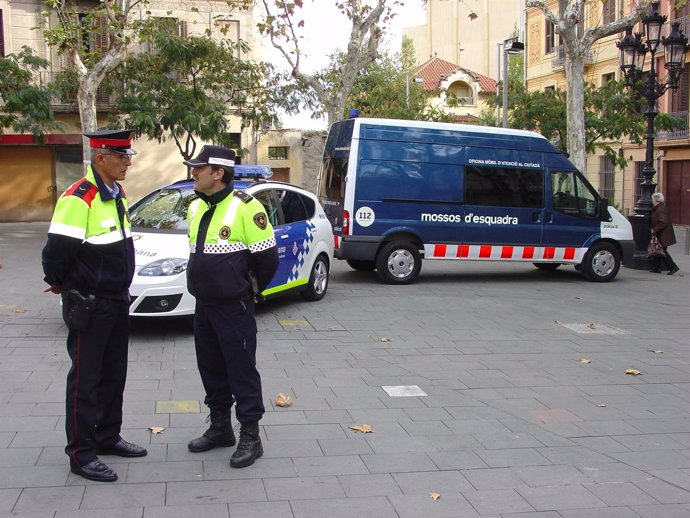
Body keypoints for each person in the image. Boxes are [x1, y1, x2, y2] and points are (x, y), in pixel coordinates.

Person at [41, 129, 147, 483]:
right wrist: (61, 283)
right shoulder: (79, 198)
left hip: (117, 299)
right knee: (86, 379)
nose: (127, 162)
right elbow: (57, 251)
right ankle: (81, 454)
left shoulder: (116, 194)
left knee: (114, 373)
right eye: (121, 156)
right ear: (100, 158)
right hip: (90, 302)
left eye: (128, 156)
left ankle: (107, 436)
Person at [184, 145, 279, 468]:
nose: (193, 173)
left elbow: (267, 259)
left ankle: (250, 436)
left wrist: (250, 291)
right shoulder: (196, 207)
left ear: (218, 173)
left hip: (233, 307)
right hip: (204, 305)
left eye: (198, 168)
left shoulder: (246, 207)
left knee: (241, 370)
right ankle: (220, 428)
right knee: (210, 368)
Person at [650, 192, 680, 275]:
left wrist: (654, 230)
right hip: (662, 234)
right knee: (658, 251)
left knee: (662, 251)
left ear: (656, 200)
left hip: (663, 235)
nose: (652, 201)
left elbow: (663, 222)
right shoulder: (658, 208)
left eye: (652, 199)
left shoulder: (660, 209)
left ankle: (673, 267)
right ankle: (656, 268)